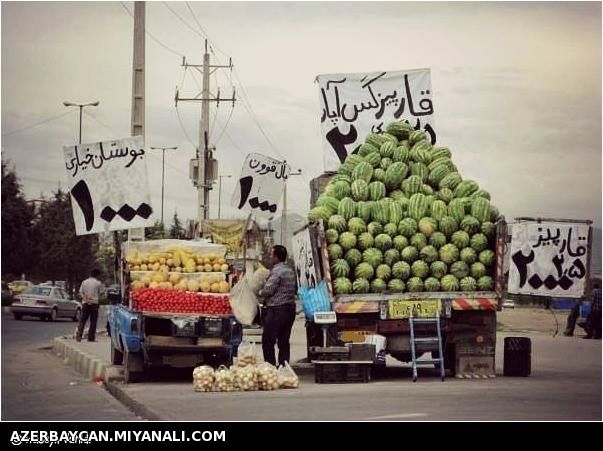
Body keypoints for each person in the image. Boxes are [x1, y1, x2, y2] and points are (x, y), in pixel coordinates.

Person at [258, 245, 298, 367]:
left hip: (277, 310)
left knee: (268, 340)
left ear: (276, 257)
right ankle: (283, 366)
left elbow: (268, 290)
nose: (270, 257)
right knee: (284, 340)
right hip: (290, 309)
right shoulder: (290, 271)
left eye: (271, 255)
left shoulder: (276, 272)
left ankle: (270, 366)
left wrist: (258, 292)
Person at [76, 269, 106, 342]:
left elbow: (80, 292)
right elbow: (102, 292)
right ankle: (91, 338)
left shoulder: (84, 282)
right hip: (94, 304)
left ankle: (79, 337)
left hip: (85, 303)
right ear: (97, 275)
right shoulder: (98, 283)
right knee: (93, 321)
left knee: (82, 321)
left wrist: (86, 299)